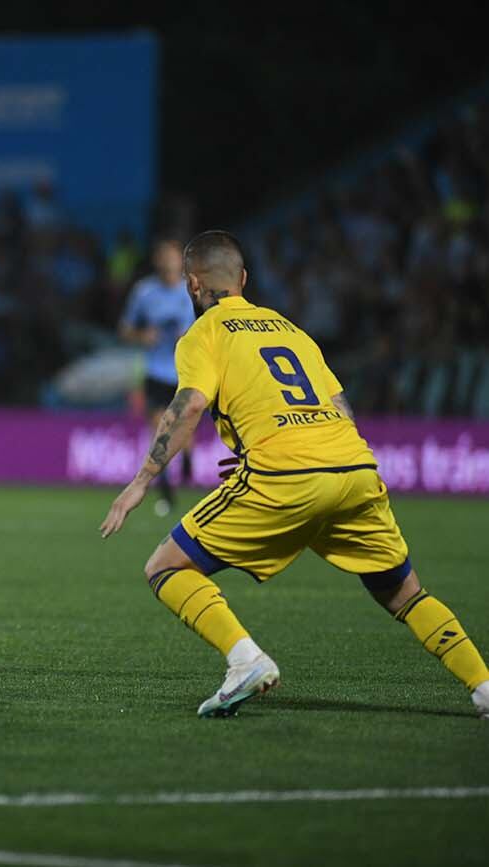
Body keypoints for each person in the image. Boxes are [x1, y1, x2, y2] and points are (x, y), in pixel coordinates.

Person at [100, 229, 489, 719]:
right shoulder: (290, 330)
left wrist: (139, 482)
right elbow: (340, 408)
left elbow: (189, 404)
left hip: (286, 475)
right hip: (353, 468)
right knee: (405, 594)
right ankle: (484, 685)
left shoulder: (203, 333)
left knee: (166, 567)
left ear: (193, 285)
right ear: (243, 279)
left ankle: (245, 660)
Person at [118, 238, 196, 515]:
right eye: (163, 257)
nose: (168, 263)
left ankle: (187, 457)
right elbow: (125, 329)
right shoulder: (144, 292)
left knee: (184, 429)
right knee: (159, 431)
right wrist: (142, 335)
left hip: (185, 371)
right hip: (155, 371)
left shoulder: (191, 289)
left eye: (172, 257)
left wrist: (188, 338)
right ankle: (165, 491)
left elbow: (205, 326)